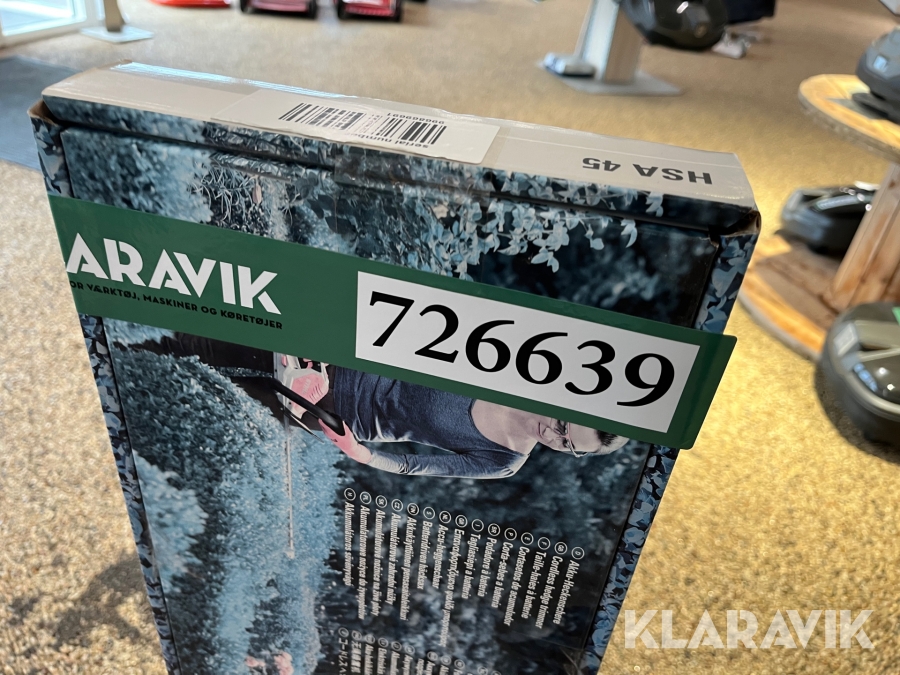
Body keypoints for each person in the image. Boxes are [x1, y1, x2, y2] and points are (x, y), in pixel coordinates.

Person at [280, 357, 628, 480]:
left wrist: (359, 453)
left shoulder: (503, 461)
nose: (553, 436)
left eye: (567, 446)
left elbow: (414, 466)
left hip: (337, 411)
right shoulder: (513, 367)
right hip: (337, 357)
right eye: (563, 426)